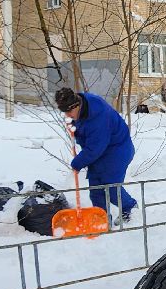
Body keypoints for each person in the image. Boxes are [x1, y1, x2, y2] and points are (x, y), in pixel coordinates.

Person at [55, 87, 137, 220]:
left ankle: (130, 208)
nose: (67, 115)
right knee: (96, 189)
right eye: (64, 112)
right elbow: (88, 135)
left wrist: (77, 163)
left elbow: (95, 147)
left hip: (117, 150)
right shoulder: (82, 107)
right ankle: (102, 218)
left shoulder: (98, 116)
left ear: (77, 105)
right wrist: (75, 130)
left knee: (111, 187)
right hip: (101, 151)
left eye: (69, 111)